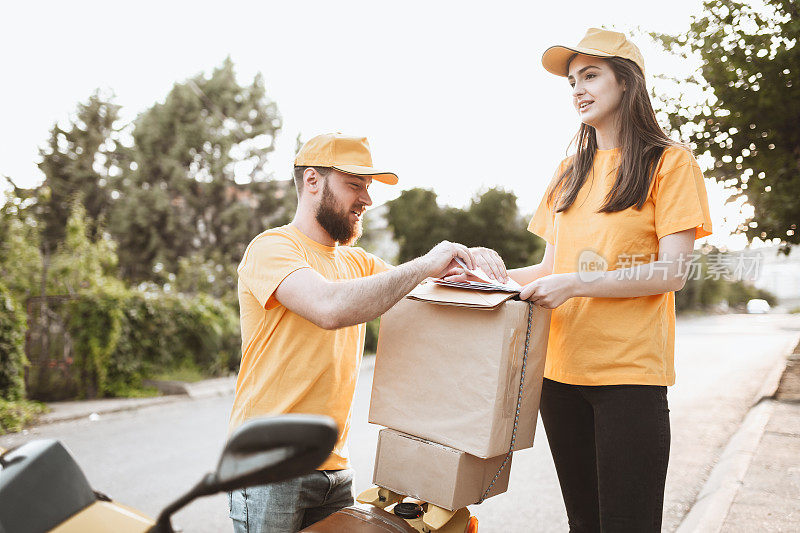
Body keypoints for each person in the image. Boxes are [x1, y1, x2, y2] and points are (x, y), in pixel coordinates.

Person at [227, 133, 506, 533]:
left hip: (334, 470)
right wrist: (428, 262)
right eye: (354, 185)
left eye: (368, 188)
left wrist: (476, 266)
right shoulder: (273, 248)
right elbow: (328, 307)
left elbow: (429, 292)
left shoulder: (358, 263)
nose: (366, 199)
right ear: (312, 181)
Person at [513, 29, 713, 531]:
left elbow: (672, 272)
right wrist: (472, 272)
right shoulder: (568, 172)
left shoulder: (669, 162)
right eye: (573, 81)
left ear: (626, 82)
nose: (578, 89)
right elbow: (546, 269)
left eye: (591, 75)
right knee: (585, 524)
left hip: (629, 379)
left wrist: (576, 284)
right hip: (559, 377)